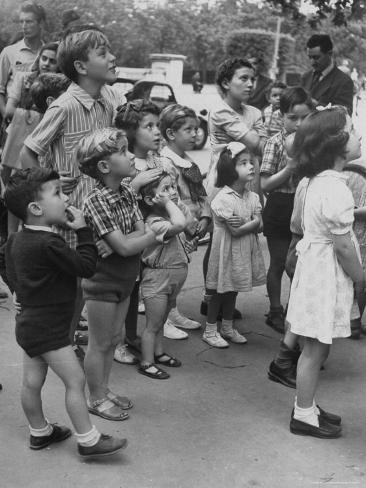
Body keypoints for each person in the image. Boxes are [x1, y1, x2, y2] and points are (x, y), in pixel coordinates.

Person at [3, 167, 127, 457]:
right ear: (35, 208)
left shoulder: (16, 240)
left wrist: (15, 289)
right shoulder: (50, 243)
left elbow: (3, 258)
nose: (66, 197)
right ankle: (89, 439)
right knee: (76, 381)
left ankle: (40, 432)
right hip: (51, 330)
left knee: (32, 382)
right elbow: (85, 267)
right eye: (57, 193)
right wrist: (83, 230)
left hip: (29, 325)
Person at [20, 28, 124, 361]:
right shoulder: (64, 106)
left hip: (101, 205)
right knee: (70, 282)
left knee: (90, 279)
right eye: (103, 53)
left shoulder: (109, 98)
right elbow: (28, 152)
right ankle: (58, 345)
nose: (112, 58)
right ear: (80, 65)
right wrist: (51, 183)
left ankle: (81, 344)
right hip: (71, 212)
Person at [285, 106, 363, 438]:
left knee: (318, 345)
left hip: (318, 268)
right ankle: (303, 414)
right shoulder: (336, 188)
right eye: (353, 131)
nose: (359, 136)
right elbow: (343, 245)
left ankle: (309, 405)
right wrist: (361, 277)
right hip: (323, 274)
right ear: (337, 143)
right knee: (315, 347)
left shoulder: (322, 181)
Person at [77, 128, 157, 420]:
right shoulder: (95, 201)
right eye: (123, 151)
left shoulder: (126, 193)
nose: (130, 155)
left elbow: (134, 236)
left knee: (114, 337)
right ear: (104, 166)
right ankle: (95, 398)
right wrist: (145, 238)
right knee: (99, 342)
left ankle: (104, 388)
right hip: (102, 282)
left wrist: (133, 241)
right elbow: (127, 245)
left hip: (125, 279)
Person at [203, 58, 267, 320]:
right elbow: (258, 143)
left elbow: (259, 145)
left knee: (240, 242)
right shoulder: (220, 111)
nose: (250, 83)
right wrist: (256, 139)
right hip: (223, 182)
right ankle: (210, 299)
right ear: (226, 83)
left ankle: (227, 299)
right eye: (243, 78)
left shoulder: (253, 112)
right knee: (219, 242)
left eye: (252, 78)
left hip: (248, 182)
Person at [203, 142, 266, 348]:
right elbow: (237, 231)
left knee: (233, 290)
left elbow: (259, 227)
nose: (251, 167)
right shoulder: (223, 198)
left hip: (241, 252)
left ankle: (227, 327)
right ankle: (210, 329)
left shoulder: (253, 196)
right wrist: (254, 221)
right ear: (230, 169)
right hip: (225, 252)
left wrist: (252, 222)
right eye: (243, 163)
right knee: (218, 291)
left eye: (251, 162)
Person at [261, 87, 313, 333]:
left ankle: (295, 311)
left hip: (303, 209)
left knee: (299, 266)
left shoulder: (313, 144)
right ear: (281, 116)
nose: (299, 123)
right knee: (280, 262)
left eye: (305, 117)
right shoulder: (275, 143)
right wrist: (290, 168)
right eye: (293, 118)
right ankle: (274, 310)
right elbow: (265, 184)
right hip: (280, 208)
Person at [160, 104, 210, 336]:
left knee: (181, 271)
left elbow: (200, 192)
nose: (195, 134)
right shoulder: (166, 163)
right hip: (177, 226)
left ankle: (172, 311)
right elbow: (172, 198)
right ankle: (162, 319)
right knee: (170, 274)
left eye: (196, 129)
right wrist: (191, 225)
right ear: (171, 134)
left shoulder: (188, 161)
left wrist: (207, 215)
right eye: (188, 130)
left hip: (191, 228)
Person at [139, 172, 193, 379]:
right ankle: (147, 362)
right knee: (152, 324)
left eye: (172, 187)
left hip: (173, 277)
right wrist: (171, 204)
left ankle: (158, 352)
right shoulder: (154, 223)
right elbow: (180, 225)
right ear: (150, 199)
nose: (172, 192)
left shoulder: (170, 215)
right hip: (158, 278)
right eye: (165, 189)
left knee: (161, 320)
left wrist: (172, 202)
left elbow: (188, 219)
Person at [0, 2, 46, 119]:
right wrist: (6, 114)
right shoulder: (9, 52)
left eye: (29, 21)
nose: (24, 26)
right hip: (13, 119)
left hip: (40, 120)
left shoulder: (48, 55)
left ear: (40, 23)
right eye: (22, 21)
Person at [301, 34, 354, 115]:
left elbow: (344, 116)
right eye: (309, 57)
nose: (312, 62)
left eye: (316, 57)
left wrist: (316, 105)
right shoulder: (306, 77)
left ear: (330, 54)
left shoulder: (344, 81)